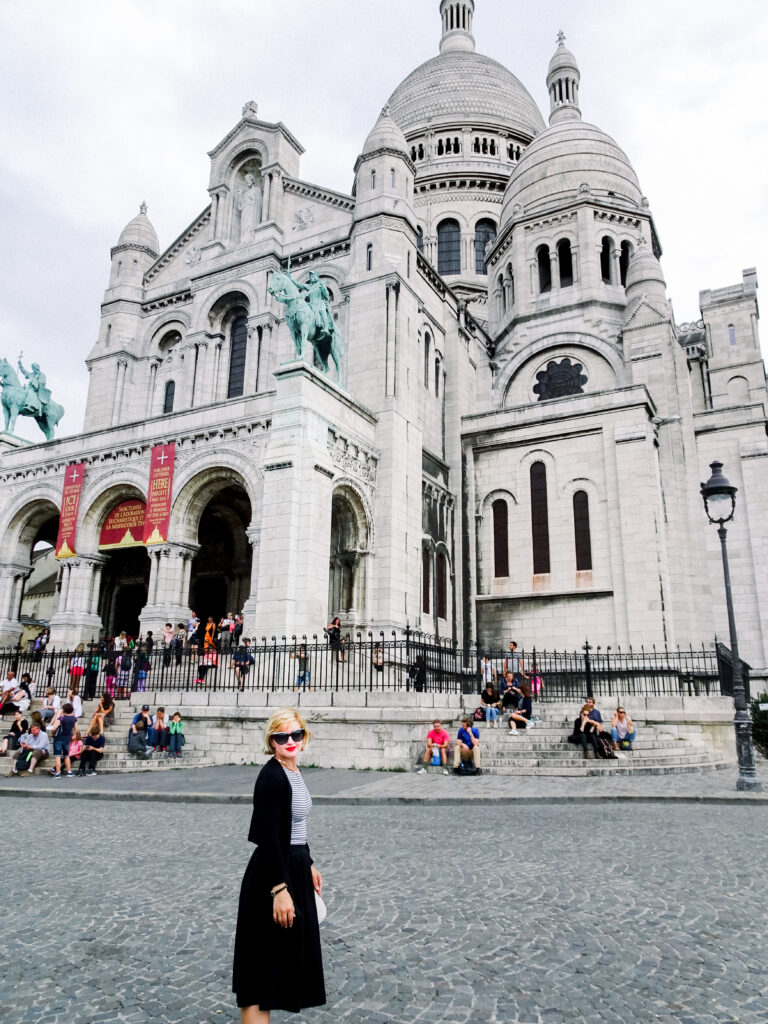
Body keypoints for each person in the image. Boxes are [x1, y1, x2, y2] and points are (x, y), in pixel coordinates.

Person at [232, 707, 326, 1019]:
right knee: (260, 977)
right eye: (281, 736)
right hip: (273, 875)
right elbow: (268, 836)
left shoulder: (293, 771)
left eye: (296, 734)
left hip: (293, 865)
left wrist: (308, 862)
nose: (290, 741)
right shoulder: (272, 777)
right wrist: (279, 890)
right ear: (271, 741)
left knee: (275, 971)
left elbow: (295, 827)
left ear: (304, 736)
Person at [48, 702, 78, 777]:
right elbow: (76, 730)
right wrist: (73, 735)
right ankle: (69, 772)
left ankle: (58, 773)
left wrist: (53, 734)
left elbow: (54, 728)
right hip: (67, 738)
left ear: (64, 710)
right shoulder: (74, 719)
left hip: (59, 737)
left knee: (57, 756)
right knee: (66, 755)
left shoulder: (61, 718)